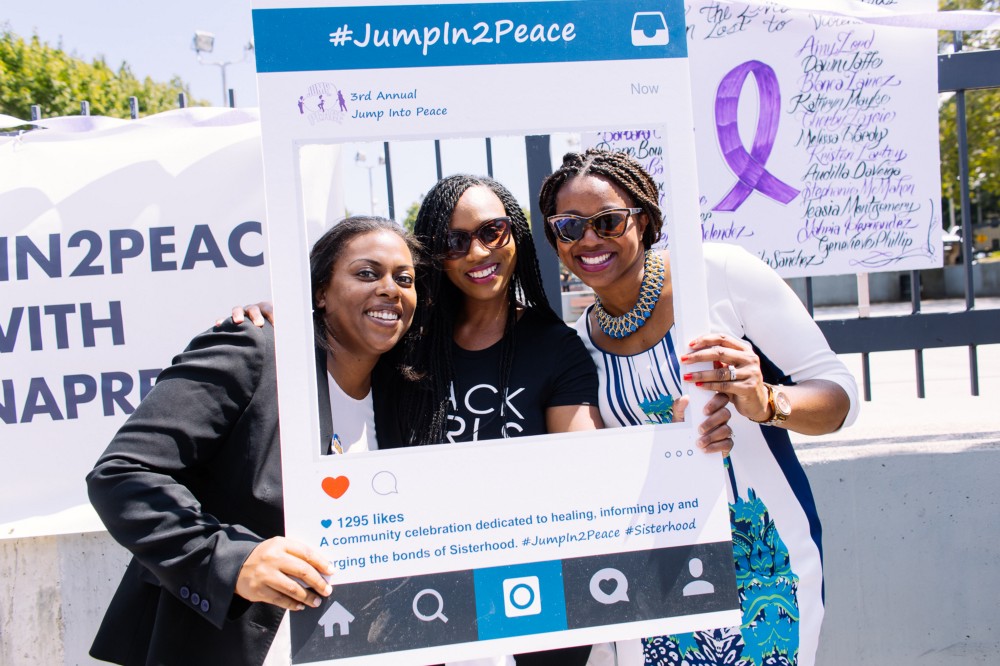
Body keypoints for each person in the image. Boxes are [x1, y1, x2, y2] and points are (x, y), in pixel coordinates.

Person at [234, 174, 735, 666]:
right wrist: (290, 321)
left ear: (515, 235)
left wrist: (671, 443)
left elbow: (588, 462)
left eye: (493, 232)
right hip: (423, 601)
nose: (478, 253)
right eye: (455, 241)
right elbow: (337, 348)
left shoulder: (552, 345)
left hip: (539, 599)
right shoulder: (402, 340)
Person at [537, 149, 859, 666]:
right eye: (569, 226)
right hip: (654, 578)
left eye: (608, 220)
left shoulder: (720, 276)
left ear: (644, 219)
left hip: (765, 561)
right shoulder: (580, 352)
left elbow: (841, 398)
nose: (589, 239)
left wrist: (764, 401)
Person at [86, 217, 421, 665]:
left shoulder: (405, 393)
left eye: (405, 279)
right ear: (320, 292)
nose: (389, 288)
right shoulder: (257, 349)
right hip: (227, 647)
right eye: (366, 273)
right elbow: (122, 473)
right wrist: (230, 561)